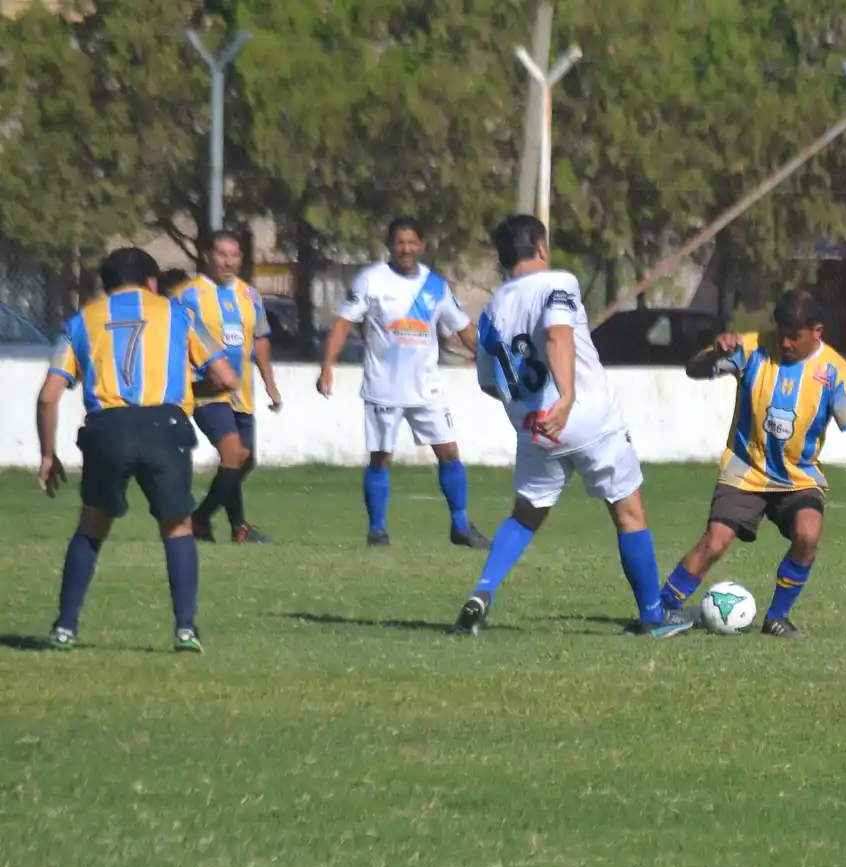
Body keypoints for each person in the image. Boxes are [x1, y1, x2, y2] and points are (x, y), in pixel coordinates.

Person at [452, 214, 696, 638]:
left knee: (524, 517)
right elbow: (557, 335)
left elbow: (490, 383)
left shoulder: (491, 312)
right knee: (629, 513)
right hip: (587, 418)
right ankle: (653, 618)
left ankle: (482, 591)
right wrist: (564, 398)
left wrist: (531, 410)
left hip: (536, 431)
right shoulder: (557, 282)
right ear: (541, 247)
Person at [654, 288, 846, 639]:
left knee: (808, 534)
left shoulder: (833, 371)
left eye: (795, 336)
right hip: (746, 469)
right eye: (782, 333)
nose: (786, 342)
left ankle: (777, 618)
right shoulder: (751, 348)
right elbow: (694, 370)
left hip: (798, 475)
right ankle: (659, 610)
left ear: (817, 331)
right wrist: (714, 352)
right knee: (715, 542)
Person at [36, 247, 239, 652]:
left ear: (106, 283)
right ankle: (185, 630)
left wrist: (47, 454)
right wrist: (186, 390)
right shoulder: (179, 314)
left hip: (107, 428)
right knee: (177, 527)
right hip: (165, 425)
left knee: (92, 524)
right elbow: (227, 378)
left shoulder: (82, 320)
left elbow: (48, 396)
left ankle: (65, 627)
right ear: (151, 281)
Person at [318, 216, 489, 548]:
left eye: (412, 242)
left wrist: (490, 361)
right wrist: (327, 366)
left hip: (426, 387)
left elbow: (463, 328)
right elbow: (342, 323)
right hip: (384, 387)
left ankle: (460, 525)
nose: (406, 249)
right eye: (400, 242)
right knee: (381, 456)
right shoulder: (371, 280)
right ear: (390, 246)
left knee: (449, 451)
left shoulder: (435, 286)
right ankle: (377, 529)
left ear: (421, 245)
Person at [175, 230, 281, 543]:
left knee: (245, 460)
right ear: (207, 255)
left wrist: (270, 384)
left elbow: (260, 340)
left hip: (241, 392)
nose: (229, 261)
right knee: (233, 453)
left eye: (235, 255)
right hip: (206, 389)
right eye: (222, 254)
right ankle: (237, 528)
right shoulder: (187, 295)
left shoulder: (250, 295)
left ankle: (202, 519)